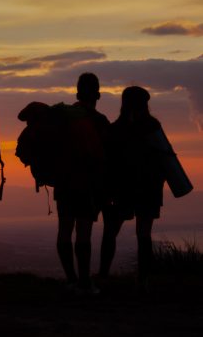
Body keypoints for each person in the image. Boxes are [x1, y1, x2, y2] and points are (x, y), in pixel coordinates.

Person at [99, 86, 166, 291]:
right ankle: (143, 280)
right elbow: (163, 157)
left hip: (121, 189)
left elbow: (107, 163)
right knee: (144, 234)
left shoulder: (115, 129)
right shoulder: (153, 126)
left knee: (110, 232)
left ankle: (103, 276)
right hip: (149, 189)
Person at [54, 73, 110, 294]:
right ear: (98, 94)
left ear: (77, 93)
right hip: (89, 184)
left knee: (64, 231)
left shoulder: (63, 117)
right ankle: (85, 282)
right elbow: (108, 157)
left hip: (64, 182)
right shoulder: (101, 122)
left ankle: (70, 280)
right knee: (83, 234)